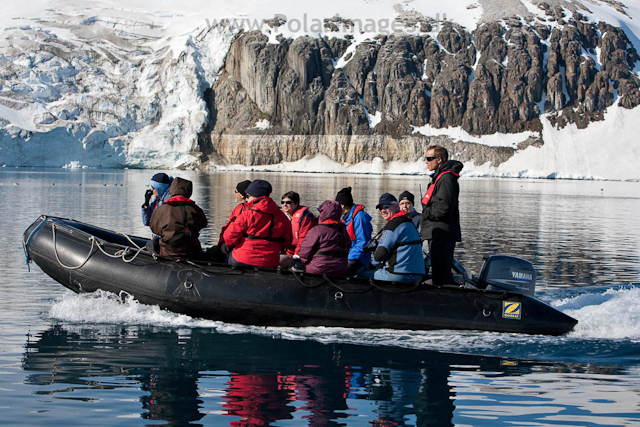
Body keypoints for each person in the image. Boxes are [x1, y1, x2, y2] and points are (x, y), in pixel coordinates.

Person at [223, 179, 292, 269]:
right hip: (270, 261)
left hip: (242, 259)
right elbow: (287, 241)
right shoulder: (282, 217)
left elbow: (229, 238)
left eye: (248, 196)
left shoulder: (247, 215)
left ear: (254, 196)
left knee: (225, 259)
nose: (246, 199)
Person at [358, 193, 425, 283]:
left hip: (400, 275)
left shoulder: (393, 225)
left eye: (386, 207)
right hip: (418, 275)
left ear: (396, 206)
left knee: (361, 273)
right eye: (380, 208)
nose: (383, 211)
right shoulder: (408, 222)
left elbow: (382, 250)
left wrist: (371, 266)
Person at [420, 145, 463, 286]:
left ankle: (446, 300)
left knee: (442, 273)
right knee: (439, 271)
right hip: (437, 232)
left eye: (429, 158)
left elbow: (443, 208)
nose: (426, 162)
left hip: (442, 233)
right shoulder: (440, 177)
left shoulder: (446, 178)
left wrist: (426, 213)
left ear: (439, 160)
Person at [149, 177, 208, 260]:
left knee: (151, 243)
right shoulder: (196, 209)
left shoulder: (161, 209)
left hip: (168, 253)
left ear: (172, 189)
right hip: (192, 252)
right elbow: (203, 223)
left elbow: (154, 228)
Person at [298, 200, 350, 276]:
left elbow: (304, 252)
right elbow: (348, 246)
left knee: (296, 265)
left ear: (323, 213)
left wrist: (303, 261)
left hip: (318, 269)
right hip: (340, 269)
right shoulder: (343, 230)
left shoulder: (316, 230)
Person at [207, 180, 251, 261]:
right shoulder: (240, 209)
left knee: (213, 253)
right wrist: (223, 242)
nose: (234, 193)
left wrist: (225, 243)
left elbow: (231, 230)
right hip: (237, 244)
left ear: (242, 195)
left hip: (240, 247)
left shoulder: (242, 210)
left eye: (236, 191)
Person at [335, 187, 373, 274]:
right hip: (348, 255)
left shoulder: (360, 217)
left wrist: (349, 257)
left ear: (342, 205)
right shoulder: (346, 219)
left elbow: (363, 242)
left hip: (359, 258)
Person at [280, 191, 317, 267]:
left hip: (301, 254)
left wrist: (296, 255)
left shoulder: (305, 218)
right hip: (287, 251)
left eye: (288, 202)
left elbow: (304, 239)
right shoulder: (282, 215)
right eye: (282, 202)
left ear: (296, 204)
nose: (285, 205)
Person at [141, 172, 173, 253]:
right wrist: (146, 204)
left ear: (160, 187)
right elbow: (147, 222)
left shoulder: (169, 200)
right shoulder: (157, 200)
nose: (151, 190)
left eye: (153, 187)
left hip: (165, 241)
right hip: (157, 239)